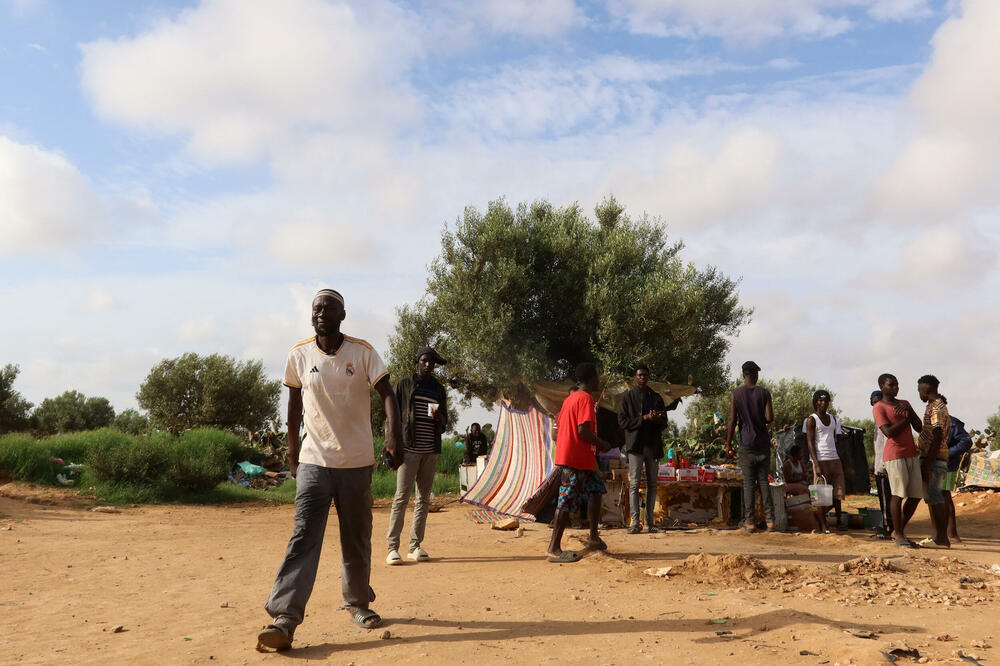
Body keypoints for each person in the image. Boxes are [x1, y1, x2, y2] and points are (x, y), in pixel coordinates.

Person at [259, 289, 402, 652]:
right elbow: (293, 406)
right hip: (313, 461)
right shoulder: (298, 354)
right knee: (304, 536)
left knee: (356, 537)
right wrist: (292, 452)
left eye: (328, 308)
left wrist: (392, 437)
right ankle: (285, 619)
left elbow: (388, 393)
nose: (320, 313)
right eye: (316, 308)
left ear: (342, 314)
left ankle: (357, 603)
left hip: (355, 463)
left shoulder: (363, 352)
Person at [386, 346, 449, 565]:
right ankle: (392, 548)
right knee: (401, 497)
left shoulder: (438, 389)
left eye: (432, 362)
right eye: (424, 361)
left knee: (423, 499)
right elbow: (391, 415)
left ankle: (415, 546)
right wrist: (391, 443)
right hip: (408, 449)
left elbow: (444, 421)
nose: (428, 365)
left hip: (430, 450)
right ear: (417, 362)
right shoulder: (404, 384)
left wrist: (439, 417)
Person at [547, 362, 613, 563]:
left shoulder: (570, 399)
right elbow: (582, 431)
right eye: (597, 376)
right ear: (591, 378)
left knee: (595, 489)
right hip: (575, 459)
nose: (598, 380)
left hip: (580, 458)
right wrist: (602, 443)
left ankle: (593, 537)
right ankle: (554, 549)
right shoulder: (585, 398)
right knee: (565, 499)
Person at [618, 363, 679, 534]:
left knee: (653, 484)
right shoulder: (627, 398)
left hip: (652, 445)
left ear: (648, 376)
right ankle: (634, 522)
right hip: (635, 446)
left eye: (645, 375)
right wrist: (644, 418)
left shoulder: (656, 397)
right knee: (634, 484)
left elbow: (664, 423)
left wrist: (657, 419)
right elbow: (623, 423)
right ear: (635, 378)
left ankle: (649, 523)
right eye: (639, 375)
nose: (642, 378)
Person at [872, 373, 923, 549]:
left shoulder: (905, 404)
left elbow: (919, 427)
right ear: (882, 387)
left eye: (897, 385)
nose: (895, 388)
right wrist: (906, 420)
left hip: (911, 453)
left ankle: (898, 530)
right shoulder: (879, 407)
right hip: (894, 455)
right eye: (891, 385)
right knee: (898, 494)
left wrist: (908, 413)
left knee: (916, 495)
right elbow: (888, 432)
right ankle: (899, 534)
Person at [725, 361, 775, 533]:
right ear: (756, 374)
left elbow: (732, 420)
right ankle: (770, 521)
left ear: (743, 375)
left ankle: (750, 522)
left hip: (746, 444)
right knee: (763, 482)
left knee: (748, 484)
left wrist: (728, 443)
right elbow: (769, 418)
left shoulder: (736, 394)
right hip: (762, 443)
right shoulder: (764, 393)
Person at [915, 375, 951, 549]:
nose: (918, 393)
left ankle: (942, 538)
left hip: (934, 458)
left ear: (926, 390)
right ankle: (937, 536)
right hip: (935, 456)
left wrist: (928, 462)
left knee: (935, 497)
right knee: (932, 497)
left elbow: (937, 436)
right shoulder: (935, 405)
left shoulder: (936, 408)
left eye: (919, 390)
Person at [804, 390, 847, 533]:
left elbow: (837, 440)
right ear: (816, 402)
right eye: (821, 400)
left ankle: (822, 517)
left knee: (837, 494)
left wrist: (842, 460)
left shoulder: (833, 419)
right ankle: (823, 525)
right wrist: (815, 463)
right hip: (820, 459)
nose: (824, 403)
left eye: (827, 400)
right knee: (820, 495)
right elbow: (810, 442)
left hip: (834, 459)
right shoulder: (812, 419)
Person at [942, 414, 973, 543]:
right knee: (941, 497)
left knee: (945, 496)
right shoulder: (936, 421)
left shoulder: (952, 423)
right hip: (941, 464)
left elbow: (967, 441)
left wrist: (947, 453)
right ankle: (945, 533)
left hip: (947, 465)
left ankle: (952, 534)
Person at [870, 390, 894, 538]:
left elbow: (886, 443)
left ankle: (888, 528)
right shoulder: (878, 420)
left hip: (884, 467)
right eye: (873, 402)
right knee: (886, 498)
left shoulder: (885, 421)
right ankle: (888, 526)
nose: (876, 405)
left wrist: (882, 465)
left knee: (886, 499)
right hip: (880, 464)